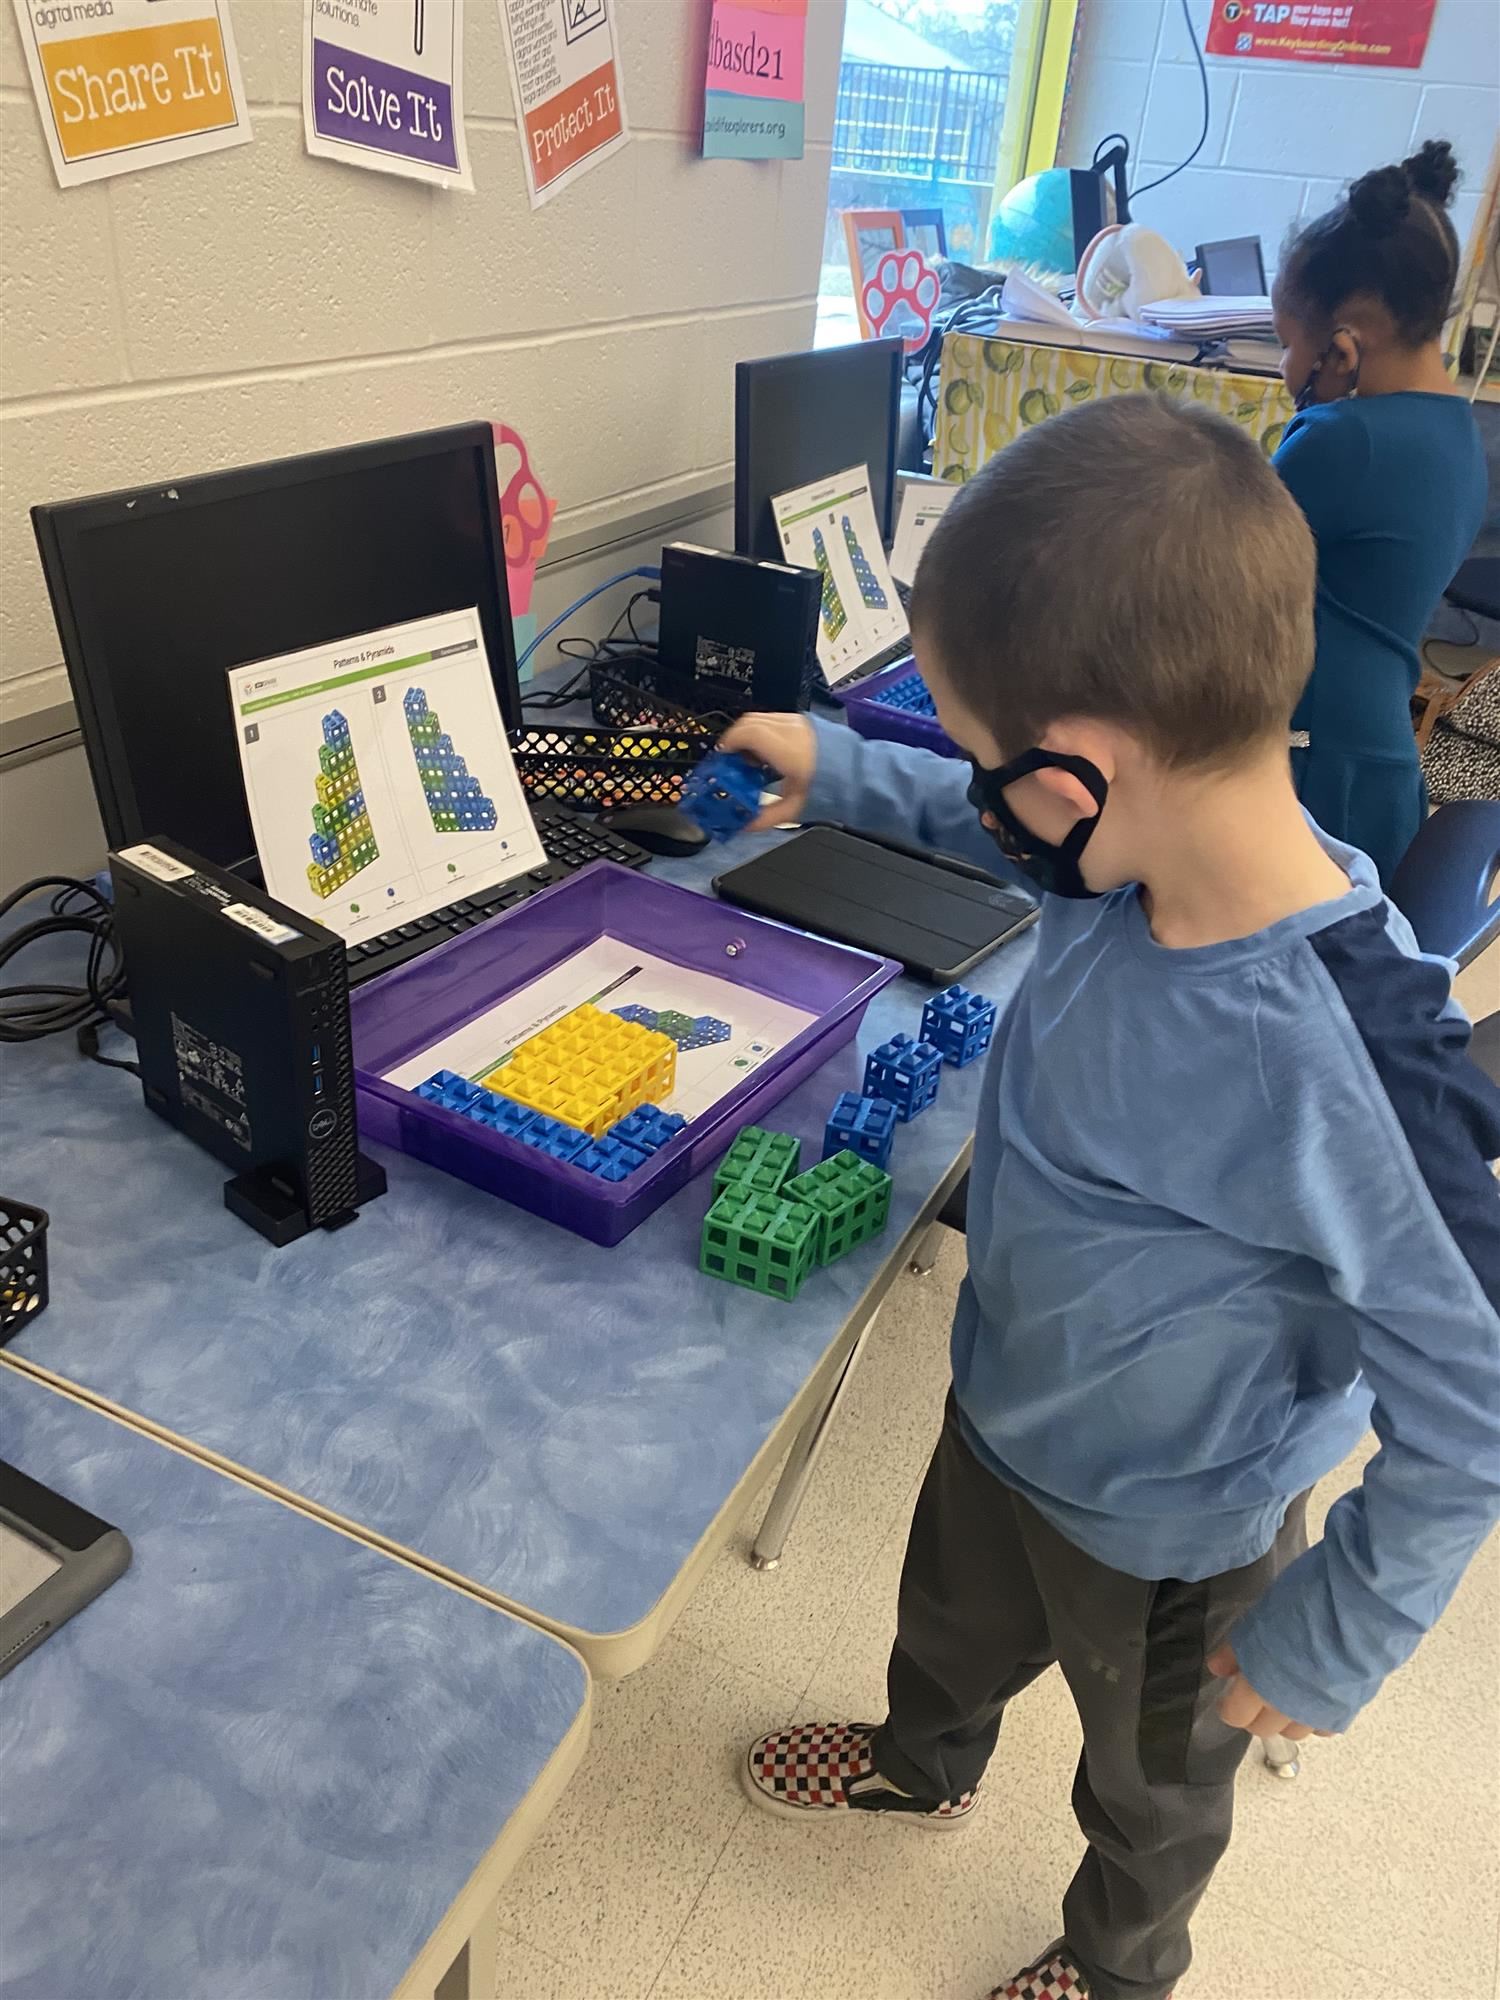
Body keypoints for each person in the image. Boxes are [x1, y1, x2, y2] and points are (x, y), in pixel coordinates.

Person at [720, 394, 1500, 2000]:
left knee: (1152, 1793)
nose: (994, 798)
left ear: (1083, 772)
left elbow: (1476, 1400)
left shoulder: (1358, 1053)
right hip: (1005, 1410)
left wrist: (1337, 1629)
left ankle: (1118, 1964)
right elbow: (976, 820)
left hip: (1177, 1534)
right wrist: (838, 762)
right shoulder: (1110, 859)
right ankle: (920, 1764)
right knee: (944, 1625)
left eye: (1001, 759)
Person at [1270, 139, 1487, 884]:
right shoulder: (1459, 434)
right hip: (1381, 767)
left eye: (1286, 342)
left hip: (1311, 769)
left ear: (1343, 343)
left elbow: (1214, 570)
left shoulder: (1342, 439)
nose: (1285, 369)